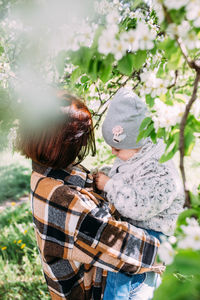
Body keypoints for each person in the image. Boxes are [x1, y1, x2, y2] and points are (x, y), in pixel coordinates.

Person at [15, 90, 163, 300]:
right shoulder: (62, 201)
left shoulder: (49, 170)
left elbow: (88, 186)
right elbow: (123, 247)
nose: (84, 145)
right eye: (81, 140)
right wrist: (174, 247)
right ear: (64, 144)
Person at [95, 88, 185, 300]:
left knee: (124, 285)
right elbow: (128, 175)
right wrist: (109, 175)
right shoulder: (137, 153)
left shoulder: (159, 169)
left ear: (137, 144)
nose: (113, 153)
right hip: (140, 231)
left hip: (152, 236)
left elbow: (139, 205)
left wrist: (109, 185)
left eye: (117, 150)